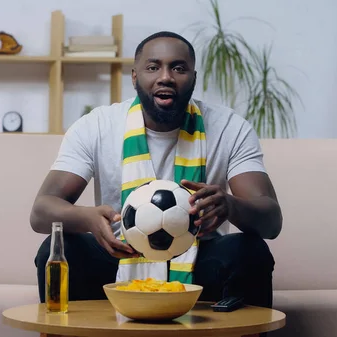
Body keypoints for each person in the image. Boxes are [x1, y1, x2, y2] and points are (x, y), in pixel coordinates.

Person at [30, 31, 282, 310]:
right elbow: (41, 212)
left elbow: (271, 221)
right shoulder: (97, 125)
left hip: (198, 259)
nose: (166, 77)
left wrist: (230, 205)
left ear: (194, 79)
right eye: (153, 67)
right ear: (135, 77)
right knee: (59, 249)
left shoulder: (230, 128)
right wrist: (87, 218)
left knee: (249, 251)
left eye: (178, 67)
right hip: (120, 254)